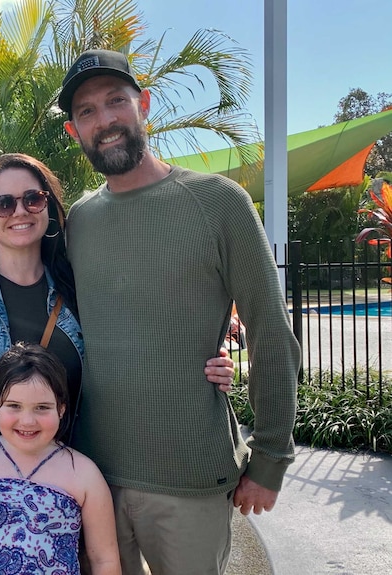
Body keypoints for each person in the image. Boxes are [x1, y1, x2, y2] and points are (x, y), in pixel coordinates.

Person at [0, 153, 235, 543]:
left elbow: (132, 342)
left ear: (48, 206)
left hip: (65, 488)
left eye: (33, 198)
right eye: (4, 202)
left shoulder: (74, 288)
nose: (20, 211)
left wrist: (204, 362)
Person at [59, 49, 301, 574]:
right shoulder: (78, 221)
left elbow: (270, 331)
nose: (105, 121)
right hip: (91, 474)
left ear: (143, 105)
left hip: (189, 473)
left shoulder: (219, 202)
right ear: (74, 131)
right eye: (86, 111)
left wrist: (271, 457)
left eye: (115, 101)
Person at [0, 343, 121, 575]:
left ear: (61, 409)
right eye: (14, 406)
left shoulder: (83, 473)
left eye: (42, 408)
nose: (27, 421)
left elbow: (104, 558)